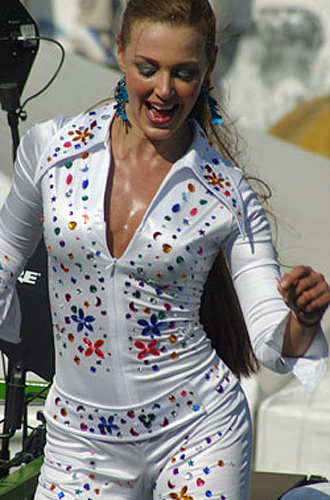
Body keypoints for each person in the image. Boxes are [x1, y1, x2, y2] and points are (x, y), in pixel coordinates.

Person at [0, 1, 329, 499]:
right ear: (120, 53)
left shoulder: (228, 192)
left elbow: (270, 336)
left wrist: (302, 317)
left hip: (200, 434)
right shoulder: (49, 151)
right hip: (79, 448)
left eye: (184, 73)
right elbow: (3, 263)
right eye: (147, 69)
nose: (164, 91)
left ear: (210, 64)